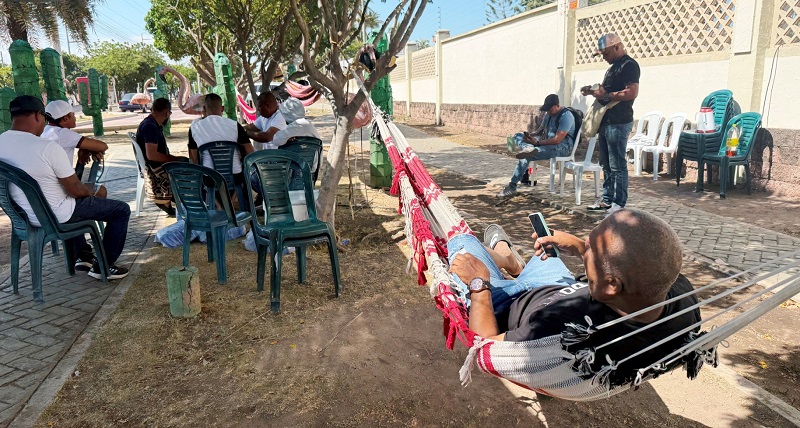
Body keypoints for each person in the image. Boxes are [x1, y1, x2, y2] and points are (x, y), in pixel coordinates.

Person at [447, 209, 700, 384]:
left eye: (589, 250)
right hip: (559, 287)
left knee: (462, 243)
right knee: (546, 253)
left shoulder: (558, 332)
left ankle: (503, 256)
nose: (583, 248)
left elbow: (485, 346)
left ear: (611, 286)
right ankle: (510, 261)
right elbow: (632, 269)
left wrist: (479, 285)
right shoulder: (679, 294)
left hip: (501, 304)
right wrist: (581, 248)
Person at [0, 96, 131, 279]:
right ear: (38, 116)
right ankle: (103, 266)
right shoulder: (46, 147)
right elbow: (76, 191)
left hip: (23, 218)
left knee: (70, 199)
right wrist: (90, 192)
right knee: (120, 210)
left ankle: (83, 256)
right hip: (56, 215)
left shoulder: (2, 143)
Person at [580, 33, 640, 215]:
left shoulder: (629, 65)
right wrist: (592, 91)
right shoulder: (613, 67)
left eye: (605, 53)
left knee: (617, 165)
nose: (604, 58)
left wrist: (606, 96)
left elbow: (631, 92)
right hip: (607, 122)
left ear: (616, 47)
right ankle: (607, 200)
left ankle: (619, 203)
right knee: (605, 163)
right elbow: (609, 90)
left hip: (619, 122)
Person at [497, 94, 575, 198]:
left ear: (557, 105)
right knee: (518, 136)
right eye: (547, 110)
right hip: (545, 143)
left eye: (550, 110)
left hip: (562, 147)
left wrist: (537, 143)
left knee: (527, 155)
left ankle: (512, 186)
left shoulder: (566, 116)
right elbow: (539, 131)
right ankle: (526, 147)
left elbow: (557, 140)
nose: (548, 112)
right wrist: (530, 136)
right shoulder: (548, 115)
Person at [187, 93, 255, 187]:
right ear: (222, 108)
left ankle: (214, 201)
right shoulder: (235, 125)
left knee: (201, 176)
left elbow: (194, 158)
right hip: (235, 176)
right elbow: (250, 152)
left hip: (209, 177)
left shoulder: (194, 128)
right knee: (243, 178)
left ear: (204, 109)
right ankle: (234, 199)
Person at [135, 98, 188, 216]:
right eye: (169, 113)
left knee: (185, 161)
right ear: (166, 112)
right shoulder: (150, 127)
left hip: (154, 163)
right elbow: (152, 155)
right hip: (155, 167)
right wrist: (175, 159)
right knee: (189, 167)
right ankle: (175, 202)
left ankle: (173, 202)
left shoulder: (151, 123)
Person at [272, 97, 322, 189]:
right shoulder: (310, 126)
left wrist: (286, 138)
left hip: (289, 175)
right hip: (309, 175)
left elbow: (276, 139)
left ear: (287, 114)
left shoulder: (295, 126)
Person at [42, 99, 108, 168]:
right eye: (73, 114)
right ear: (66, 118)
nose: (75, 117)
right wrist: (90, 149)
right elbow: (103, 146)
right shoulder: (63, 134)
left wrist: (84, 149)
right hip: (60, 178)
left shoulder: (46, 130)